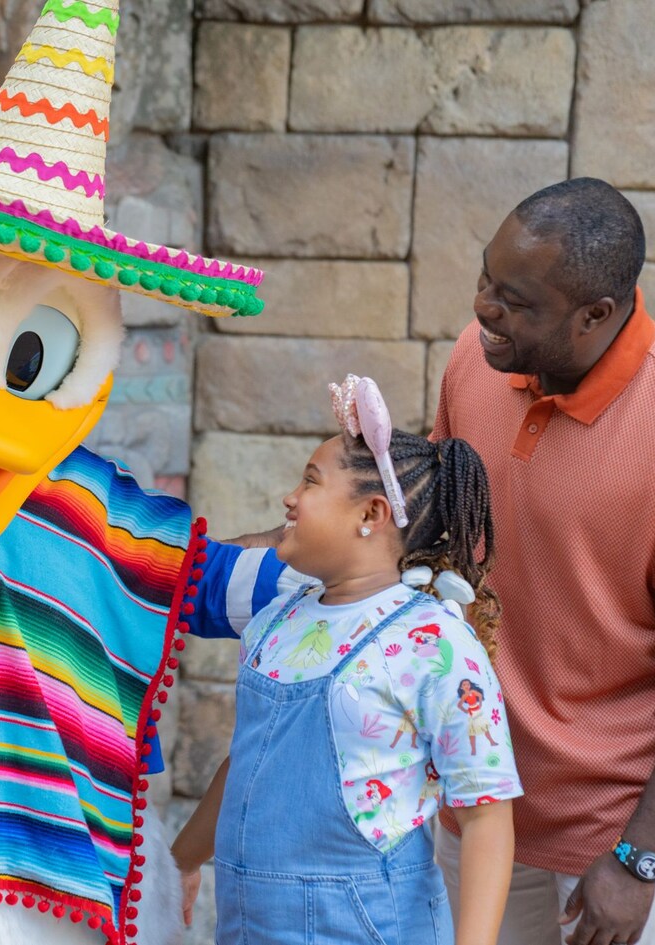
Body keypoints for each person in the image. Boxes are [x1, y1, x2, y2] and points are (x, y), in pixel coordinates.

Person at [432, 178, 655, 945]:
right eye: (486, 279)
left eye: (515, 301)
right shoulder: (474, 362)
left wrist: (639, 859)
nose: (484, 308)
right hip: (476, 798)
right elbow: (437, 528)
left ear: (595, 314)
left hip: (612, 839)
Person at [170, 375, 521, 945]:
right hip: (250, 924)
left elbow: (486, 815)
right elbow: (250, 764)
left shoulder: (435, 645)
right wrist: (181, 860)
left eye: (310, 481)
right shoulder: (277, 621)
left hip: (369, 927)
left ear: (371, 514)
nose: (289, 498)